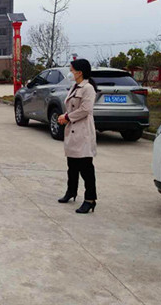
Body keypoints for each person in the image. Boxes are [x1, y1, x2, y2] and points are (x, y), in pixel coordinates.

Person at [57, 58, 98, 214]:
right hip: (73, 130)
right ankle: (71, 191)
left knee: (86, 168)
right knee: (72, 166)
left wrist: (67, 117)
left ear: (80, 72)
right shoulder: (75, 86)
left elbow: (86, 109)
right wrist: (65, 116)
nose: (70, 73)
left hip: (83, 132)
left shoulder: (88, 88)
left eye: (72, 70)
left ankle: (90, 199)